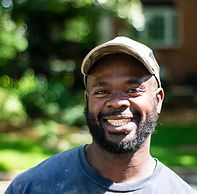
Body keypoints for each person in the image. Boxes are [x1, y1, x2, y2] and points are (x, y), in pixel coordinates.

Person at [5, 36, 196, 194]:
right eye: (102, 92)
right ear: (87, 100)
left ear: (158, 100)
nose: (117, 101)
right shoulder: (32, 188)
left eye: (133, 90)